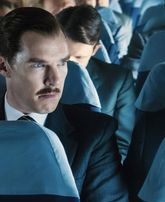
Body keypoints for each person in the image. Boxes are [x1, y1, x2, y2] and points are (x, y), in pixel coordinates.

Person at [0, 7, 129, 202]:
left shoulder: (94, 134)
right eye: (38, 65)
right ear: (3, 65)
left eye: (62, 63)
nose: (54, 79)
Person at [57, 5, 136, 160]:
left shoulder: (117, 81)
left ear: (95, 50)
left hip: (96, 166)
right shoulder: (37, 75)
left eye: (79, 58)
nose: (70, 66)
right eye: (63, 57)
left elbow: (122, 144)